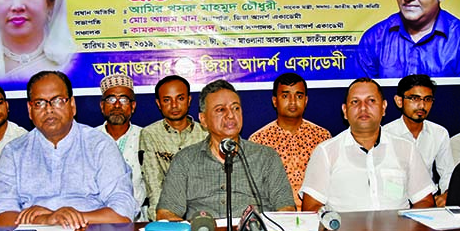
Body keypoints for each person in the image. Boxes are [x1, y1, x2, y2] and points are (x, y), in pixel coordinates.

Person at [0, 71, 137, 228]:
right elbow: (0, 216)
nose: (49, 109)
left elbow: (123, 212)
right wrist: (46, 220)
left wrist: (70, 217)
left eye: (58, 101)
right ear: (29, 110)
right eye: (39, 103)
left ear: (72, 105)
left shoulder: (100, 146)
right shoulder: (14, 152)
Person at [156, 80, 295, 220]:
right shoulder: (185, 160)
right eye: (220, 110)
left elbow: (286, 209)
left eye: (236, 108)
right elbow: (166, 213)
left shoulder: (266, 157)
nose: (230, 115)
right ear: (203, 119)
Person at [300, 77, 435, 212]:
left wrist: (406, 227)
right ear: (345, 111)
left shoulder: (406, 149)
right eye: (355, 102)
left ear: (383, 107)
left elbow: (424, 200)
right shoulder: (326, 152)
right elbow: (311, 207)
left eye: (371, 101)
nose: (363, 107)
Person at [249, 73, 331, 209]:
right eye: (285, 96)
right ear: (275, 101)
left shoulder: (322, 137)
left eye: (299, 96)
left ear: (306, 100)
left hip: (316, 215)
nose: (293, 102)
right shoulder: (258, 140)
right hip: (275, 217)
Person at [140, 75, 206, 220]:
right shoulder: (150, 134)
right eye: (167, 100)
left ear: (189, 100)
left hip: (204, 210)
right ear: (158, 103)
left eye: (180, 98)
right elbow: (153, 183)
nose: (174, 105)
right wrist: (163, 218)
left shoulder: (205, 132)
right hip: (167, 210)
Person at [383, 74, 454, 207]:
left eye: (427, 99)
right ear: (399, 101)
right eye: (414, 98)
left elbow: (447, 172)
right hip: (395, 201)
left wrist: (447, 194)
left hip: (429, 200)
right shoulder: (386, 135)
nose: (422, 105)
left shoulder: (439, 133)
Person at [96, 74, 147, 221]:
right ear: (102, 106)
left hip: (137, 220)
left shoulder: (145, 137)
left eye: (123, 99)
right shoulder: (89, 139)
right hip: (96, 220)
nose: (117, 105)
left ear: (133, 106)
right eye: (111, 99)